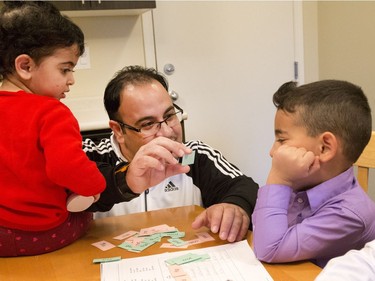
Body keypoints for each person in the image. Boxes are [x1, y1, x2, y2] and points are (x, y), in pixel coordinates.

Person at [85, 65, 259, 243]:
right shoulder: (89, 157)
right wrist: (126, 179)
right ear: (118, 130)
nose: (168, 132)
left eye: (169, 116)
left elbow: (244, 187)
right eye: (148, 124)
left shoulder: (195, 156)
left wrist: (235, 206)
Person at [0, 1, 106, 256]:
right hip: (41, 233)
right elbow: (66, 167)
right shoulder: (51, 112)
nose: (71, 80)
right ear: (25, 66)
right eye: (65, 69)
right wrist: (96, 186)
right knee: (89, 215)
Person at [251, 80, 375, 267]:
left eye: (282, 140)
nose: (272, 151)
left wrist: (279, 178)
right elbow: (262, 231)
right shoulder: (303, 182)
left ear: (325, 148)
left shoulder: (348, 214)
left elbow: (268, 249)